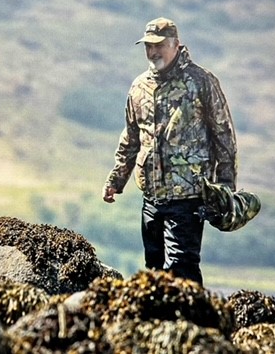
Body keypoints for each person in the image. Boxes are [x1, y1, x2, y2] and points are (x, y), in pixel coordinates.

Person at [102, 17, 237, 285]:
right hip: (151, 197)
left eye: (159, 45)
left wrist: (225, 189)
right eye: (148, 47)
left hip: (188, 197)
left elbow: (224, 136)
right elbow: (130, 138)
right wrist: (116, 181)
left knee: (181, 270)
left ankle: (194, 324)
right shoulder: (139, 87)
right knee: (153, 272)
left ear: (176, 44)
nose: (152, 52)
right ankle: (160, 325)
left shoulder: (202, 82)